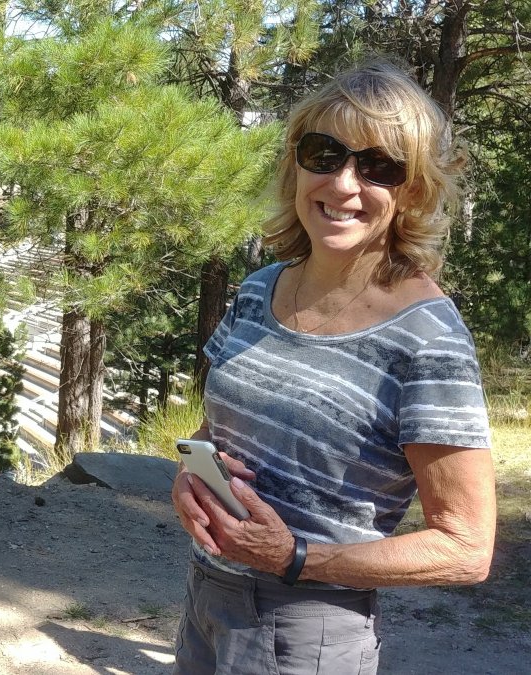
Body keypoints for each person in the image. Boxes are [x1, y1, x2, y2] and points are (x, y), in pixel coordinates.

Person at [171, 58, 496, 674]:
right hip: (207, 600)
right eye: (324, 153)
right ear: (295, 165)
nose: (344, 184)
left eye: (378, 167)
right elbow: (224, 430)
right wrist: (193, 473)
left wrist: (294, 557)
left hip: (308, 628)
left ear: (414, 191)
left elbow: (467, 548)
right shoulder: (258, 290)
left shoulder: (428, 338)